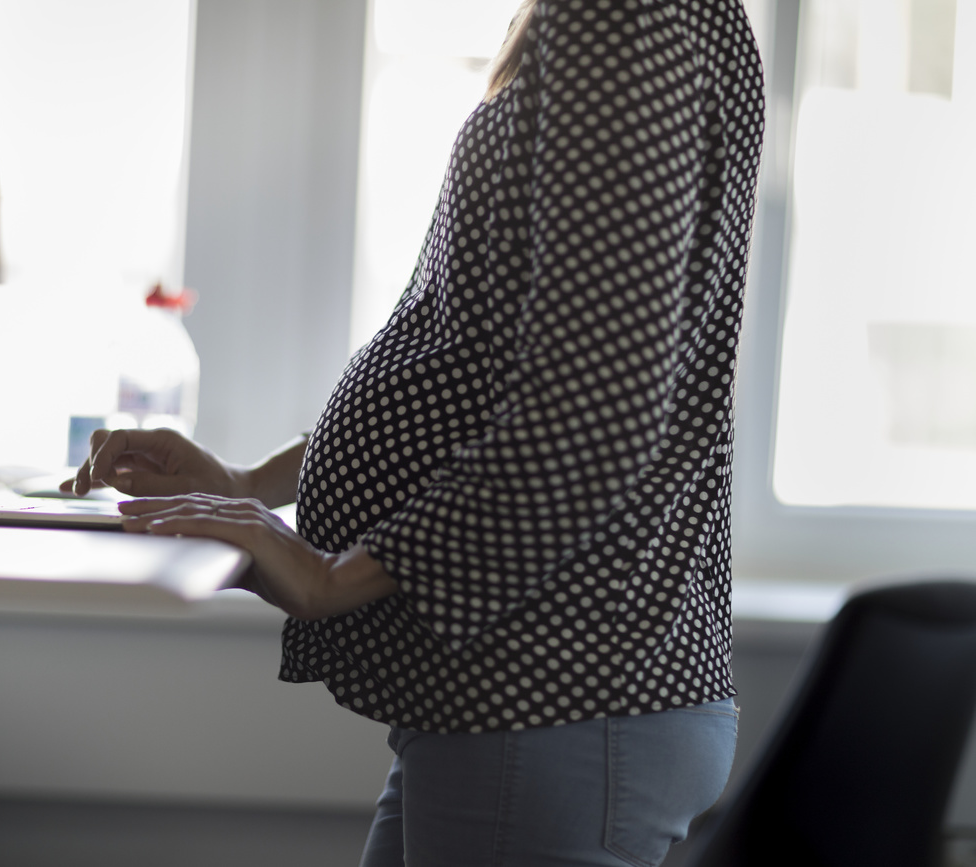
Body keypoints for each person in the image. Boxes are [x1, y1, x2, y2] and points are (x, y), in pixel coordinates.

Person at [63, 0, 764, 863]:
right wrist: (251, 485)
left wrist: (330, 577)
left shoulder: (624, 16)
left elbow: (592, 408)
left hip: (554, 685)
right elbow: (482, 367)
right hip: (528, 693)